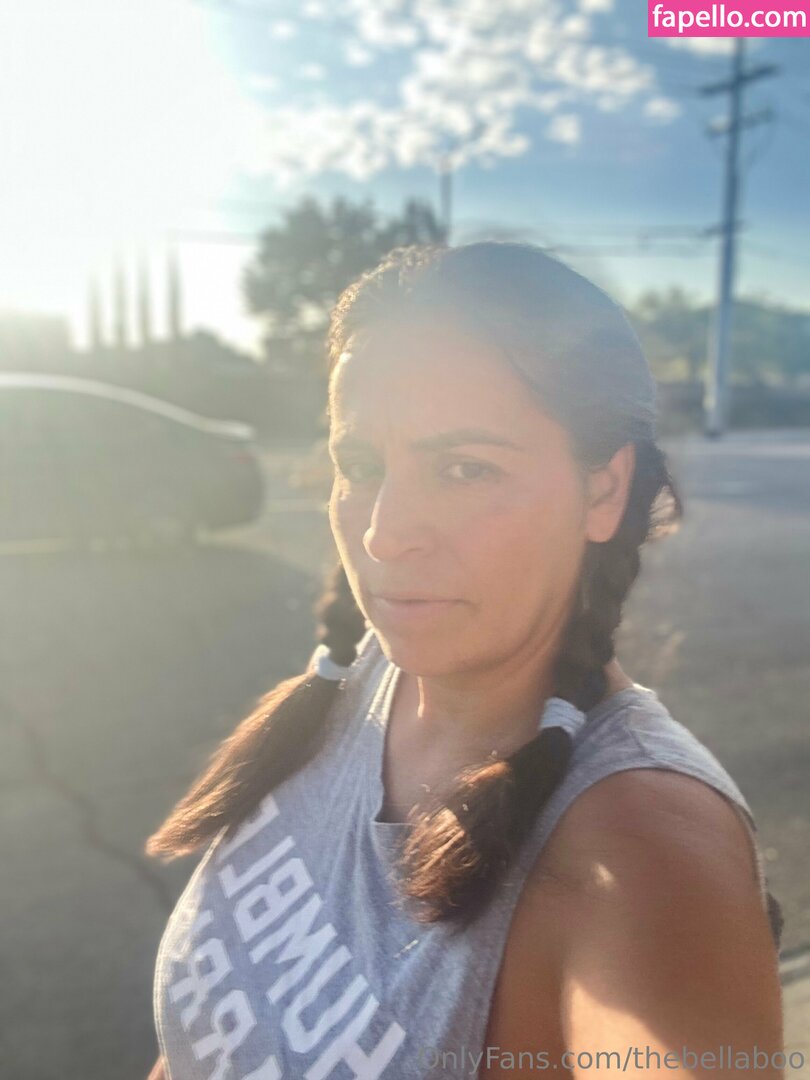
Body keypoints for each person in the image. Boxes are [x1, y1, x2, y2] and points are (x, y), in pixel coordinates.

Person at [144, 242, 784, 1080]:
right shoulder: (357, 682)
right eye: (360, 466)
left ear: (603, 490)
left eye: (464, 468)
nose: (384, 534)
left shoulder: (644, 846)